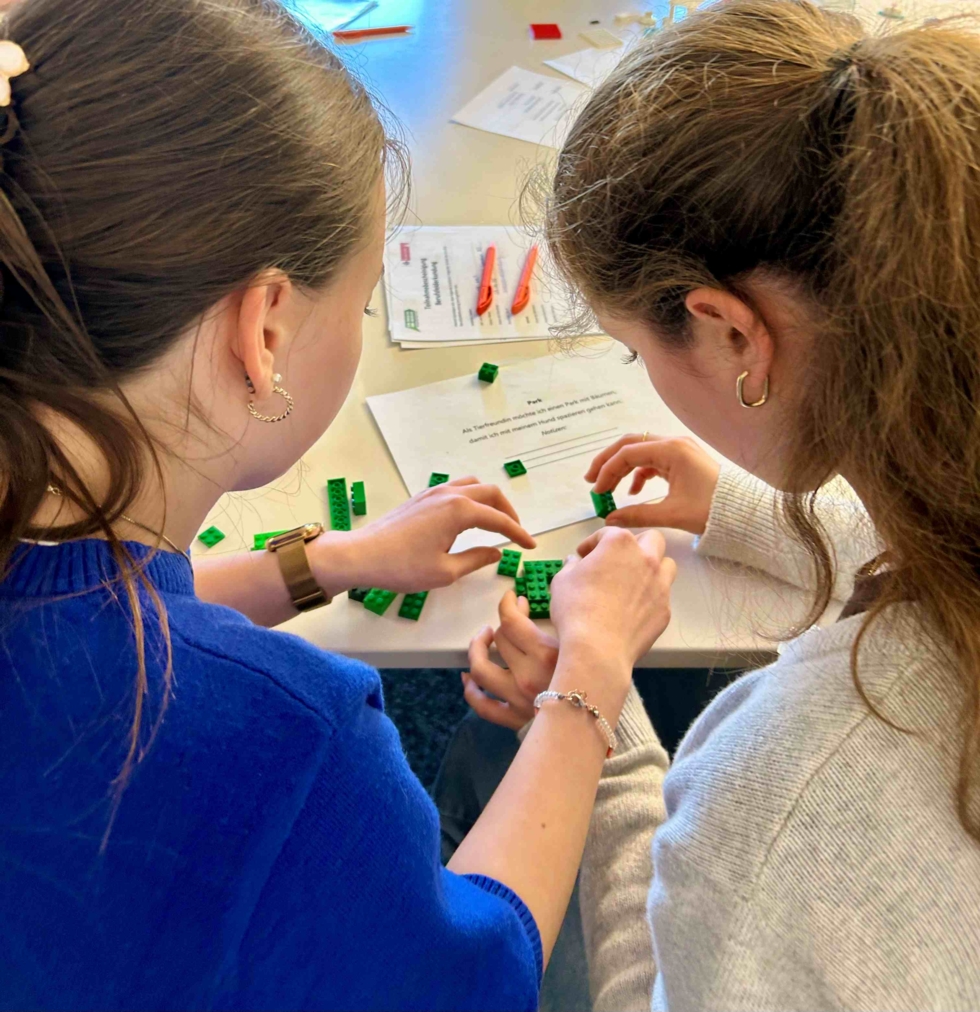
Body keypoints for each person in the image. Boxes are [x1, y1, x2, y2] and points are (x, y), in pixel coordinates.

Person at [0, 1, 678, 1008]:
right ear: (264, 328)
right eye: (361, 300)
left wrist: (328, 562)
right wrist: (589, 678)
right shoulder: (292, 738)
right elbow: (477, 968)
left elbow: (83, 632)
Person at [461, 1, 980, 1008]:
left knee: (481, 744)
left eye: (633, 351)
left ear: (731, 335)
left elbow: (657, 986)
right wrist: (741, 507)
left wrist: (595, 711)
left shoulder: (781, 783)